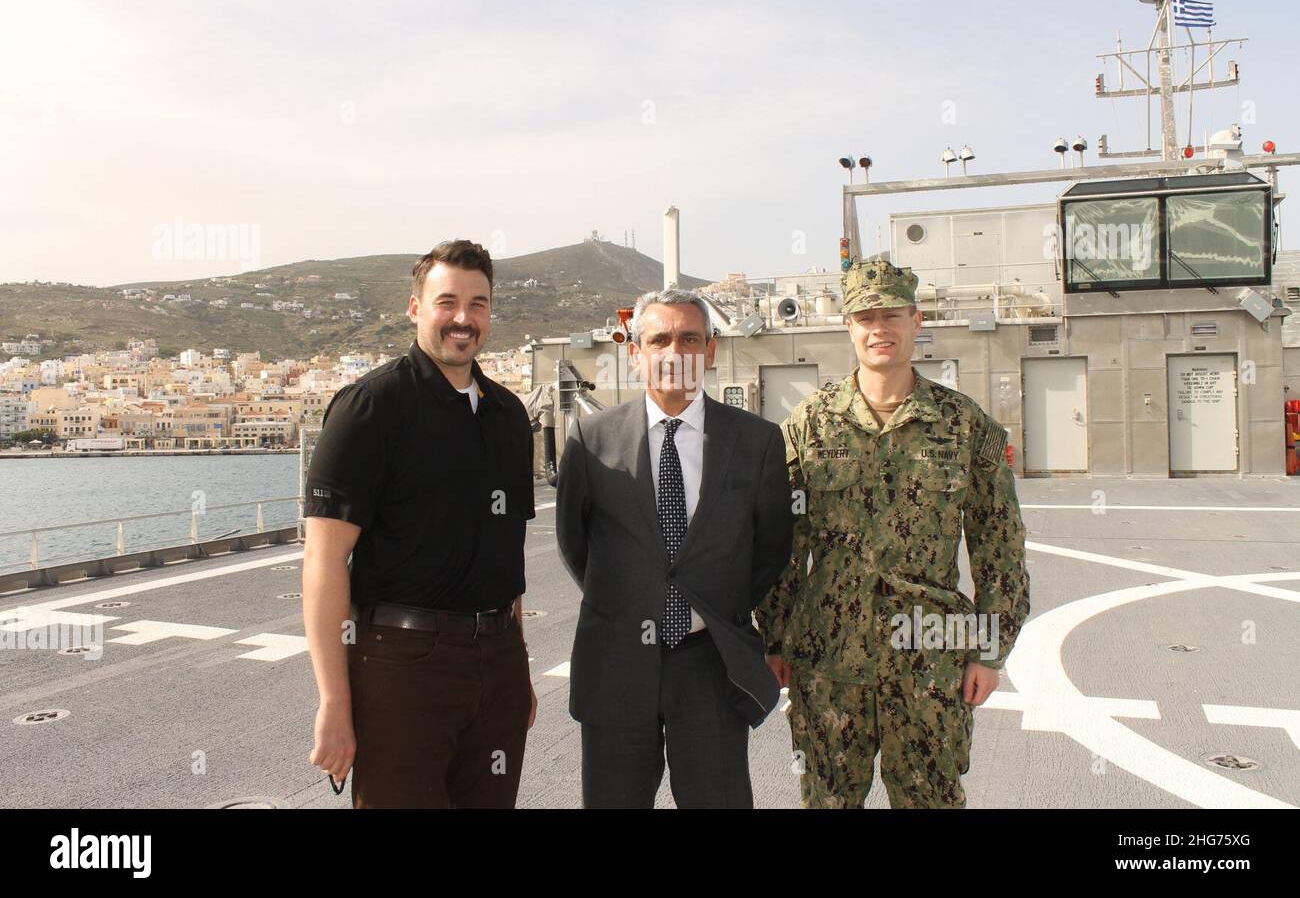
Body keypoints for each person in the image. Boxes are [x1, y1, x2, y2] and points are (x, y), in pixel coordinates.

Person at [756, 256, 1030, 808]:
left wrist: (989, 652)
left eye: (892, 315)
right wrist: (775, 640)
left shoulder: (963, 424)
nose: (879, 328)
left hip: (932, 659)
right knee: (828, 801)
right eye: (865, 317)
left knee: (932, 799)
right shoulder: (809, 424)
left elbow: (999, 547)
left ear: (916, 320)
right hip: (828, 659)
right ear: (849, 327)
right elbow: (781, 546)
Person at [302, 239, 537, 808]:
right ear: (415, 309)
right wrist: (334, 700)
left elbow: (509, 555)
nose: (463, 318)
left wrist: (518, 665)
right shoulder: (370, 408)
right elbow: (324, 560)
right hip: (402, 667)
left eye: (478, 304)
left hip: (498, 662)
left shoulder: (509, 416)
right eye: (446, 301)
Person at [555, 288, 793, 808]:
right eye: (658, 339)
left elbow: (771, 549)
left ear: (709, 351)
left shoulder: (757, 442)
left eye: (690, 338)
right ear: (635, 352)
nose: (674, 352)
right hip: (615, 666)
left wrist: (713, 605)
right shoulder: (589, 440)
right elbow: (576, 545)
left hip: (710, 665)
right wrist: (633, 601)